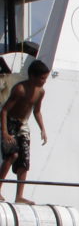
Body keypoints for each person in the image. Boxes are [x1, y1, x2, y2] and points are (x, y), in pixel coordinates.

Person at [0, 59, 49, 203]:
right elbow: (4, 110)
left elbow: (37, 111)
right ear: (32, 76)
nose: (44, 81)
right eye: (41, 78)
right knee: (12, 155)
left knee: (24, 161)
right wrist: (4, 132)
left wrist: (42, 129)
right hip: (10, 122)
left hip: (23, 124)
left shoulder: (40, 92)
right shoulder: (20, 89)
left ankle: (19, 196)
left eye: (45, 78)